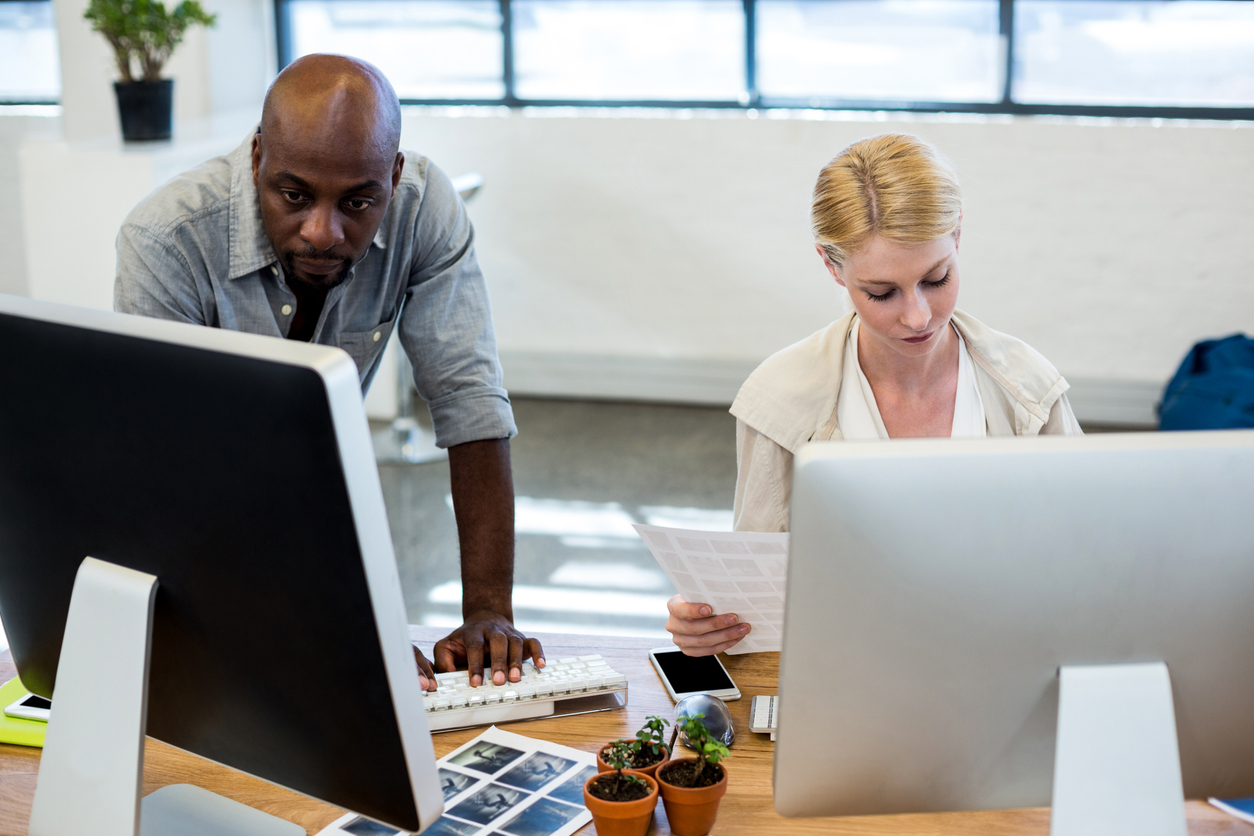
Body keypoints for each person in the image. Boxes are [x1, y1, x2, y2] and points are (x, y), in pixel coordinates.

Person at [114, 54, 541, 689]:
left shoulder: (424, 209)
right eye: (295, 196)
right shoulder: (167, 239)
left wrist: (487, 610)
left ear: (393, 176)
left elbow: (469, 398)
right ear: (258, 158)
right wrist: (330, 629)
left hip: (314, 491)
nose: (323, 232)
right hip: (189, 513)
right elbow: (170, 471)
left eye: (359, 201)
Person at [666, 133, 1083, 655]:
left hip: (1006, 656)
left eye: (937, 278)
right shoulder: (780, 402)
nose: (917, 316)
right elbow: (759, 605)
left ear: (957, 235)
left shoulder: (1026, 390)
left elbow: (1086, 561)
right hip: (847, 667)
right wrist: (711, 626)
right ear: (831, 265)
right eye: (881, 293)